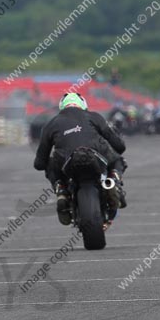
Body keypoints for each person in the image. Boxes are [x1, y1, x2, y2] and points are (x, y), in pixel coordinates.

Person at [33, 93, 127, 226]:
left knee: (50, 163)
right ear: (83, 104)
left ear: (62, 107)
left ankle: (61, 190)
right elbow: (120, 146)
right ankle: (113, 181)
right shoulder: (94, 116)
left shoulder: (50, 124)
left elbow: (39, 163)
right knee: (117, 159)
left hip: (66, 162)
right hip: (96, 156)